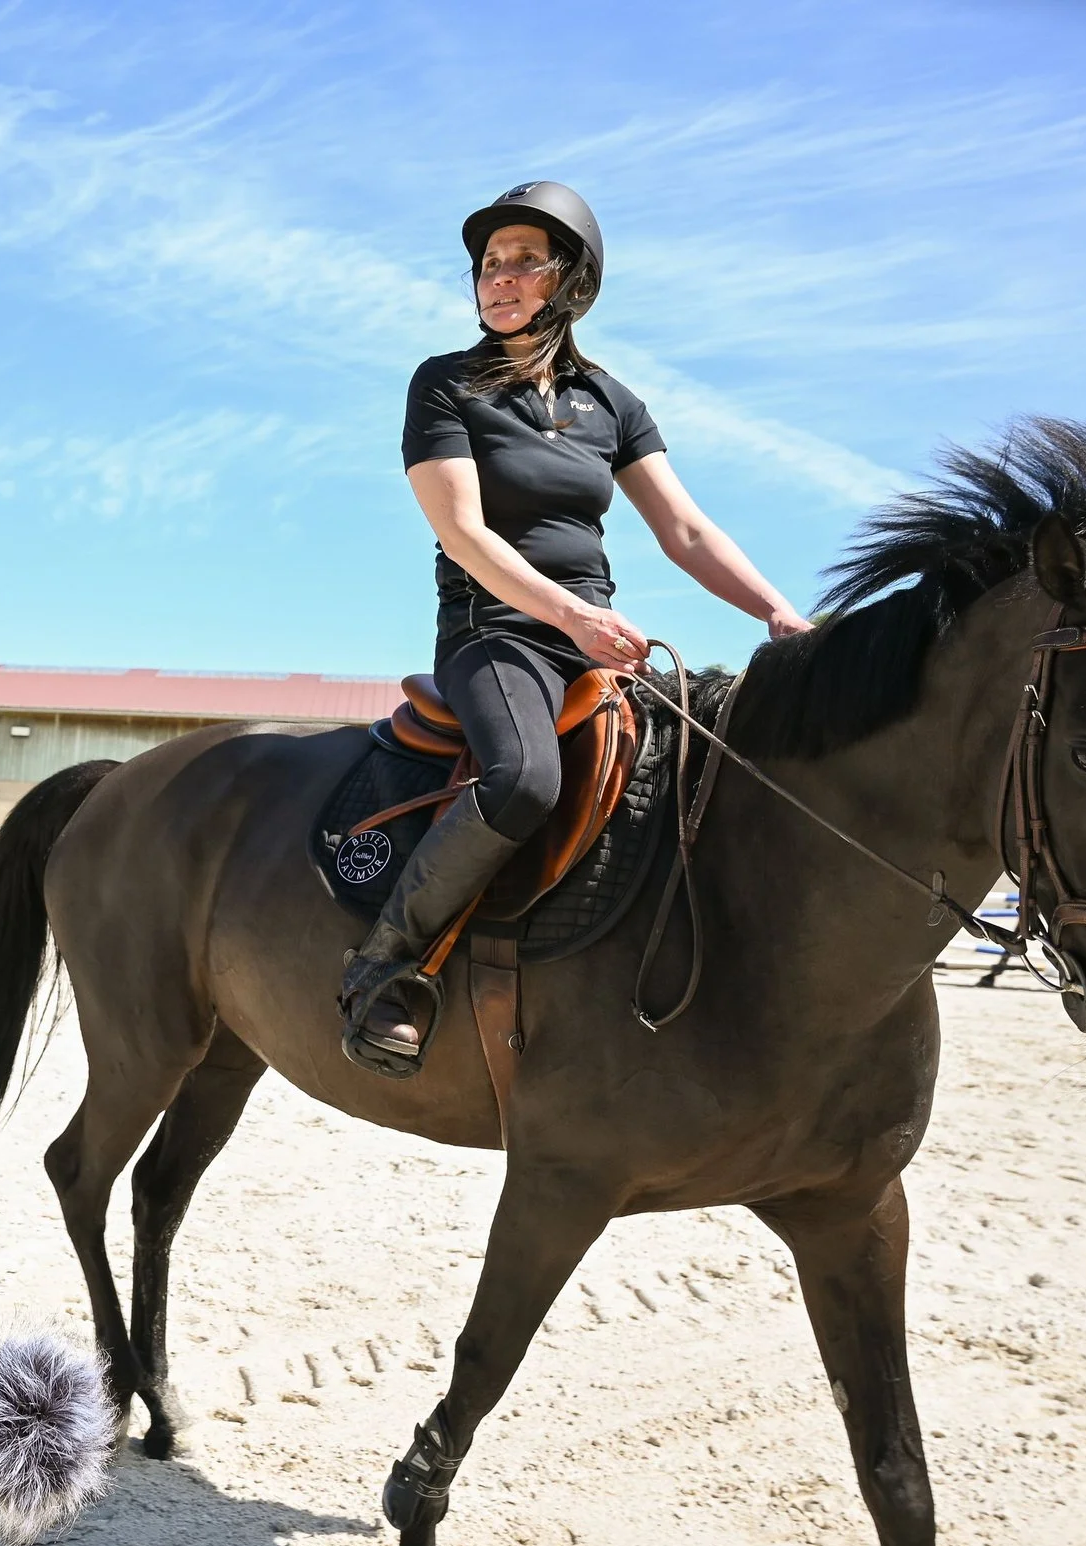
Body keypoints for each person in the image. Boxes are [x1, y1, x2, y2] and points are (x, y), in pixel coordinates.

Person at [338, 181, 811, 1076]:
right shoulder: (446, 382)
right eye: (489, 263)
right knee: (521, 779)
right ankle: (384, 966)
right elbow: (463, 532)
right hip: (495, 632)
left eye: (524, 261)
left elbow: (687, 529)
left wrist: (779, 614)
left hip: (592, 634)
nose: (500, 278)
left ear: (570, 283)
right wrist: (570, 614)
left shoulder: (611, 402)